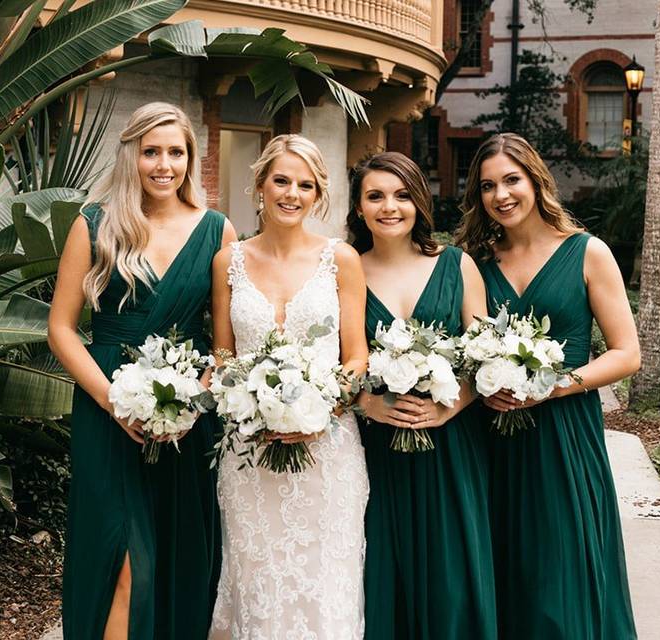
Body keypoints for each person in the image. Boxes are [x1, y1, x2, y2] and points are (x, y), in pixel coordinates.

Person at [49, 102, 236, 640]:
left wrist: (191, 404)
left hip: (187, 418)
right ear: (131, 154)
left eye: (176, 152)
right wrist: (113, 400)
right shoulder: (95, 224)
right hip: (105, 407)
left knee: (178, 557)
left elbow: (224, 346)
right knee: (123, 557)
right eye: (151, 151)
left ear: (190, 158)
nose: (164, 164)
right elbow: (61, 329)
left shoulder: (218, 231)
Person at [455, 132, 639, 639]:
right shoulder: (475, 262)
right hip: (490, 438)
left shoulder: (587, 252)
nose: (501, 195)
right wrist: (482, 383)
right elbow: (463, 347)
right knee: (503, 568)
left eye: (511, 180)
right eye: (488, 185)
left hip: (564, 436)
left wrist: (554, 386)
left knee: (561, 571)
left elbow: (627, 354)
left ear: (536, 180)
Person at [208, 134, 370, 640]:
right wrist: (242, 399)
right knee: (256, 583)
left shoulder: (340, 259)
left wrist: (319, 409)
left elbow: (356, 356)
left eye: (305, 185)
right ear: (260, 185)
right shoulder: (228, 261)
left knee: (325, 589)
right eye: (281, 180)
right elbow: (224, 354)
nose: (291, 194)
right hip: (249, 455)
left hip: (328, 450)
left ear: (318, 194)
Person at [348, 152, 498, 639]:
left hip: (451, 447)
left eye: (402, 195)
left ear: (420, 203)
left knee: (451, 578)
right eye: (375, 196)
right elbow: (331, 362)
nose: (389, 207)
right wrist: (367, 403)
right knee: (382, 574)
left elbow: (486, 359)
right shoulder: (343, 272)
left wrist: (449, 406)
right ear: (358, 208)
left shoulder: (457, 265)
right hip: (376, 450)